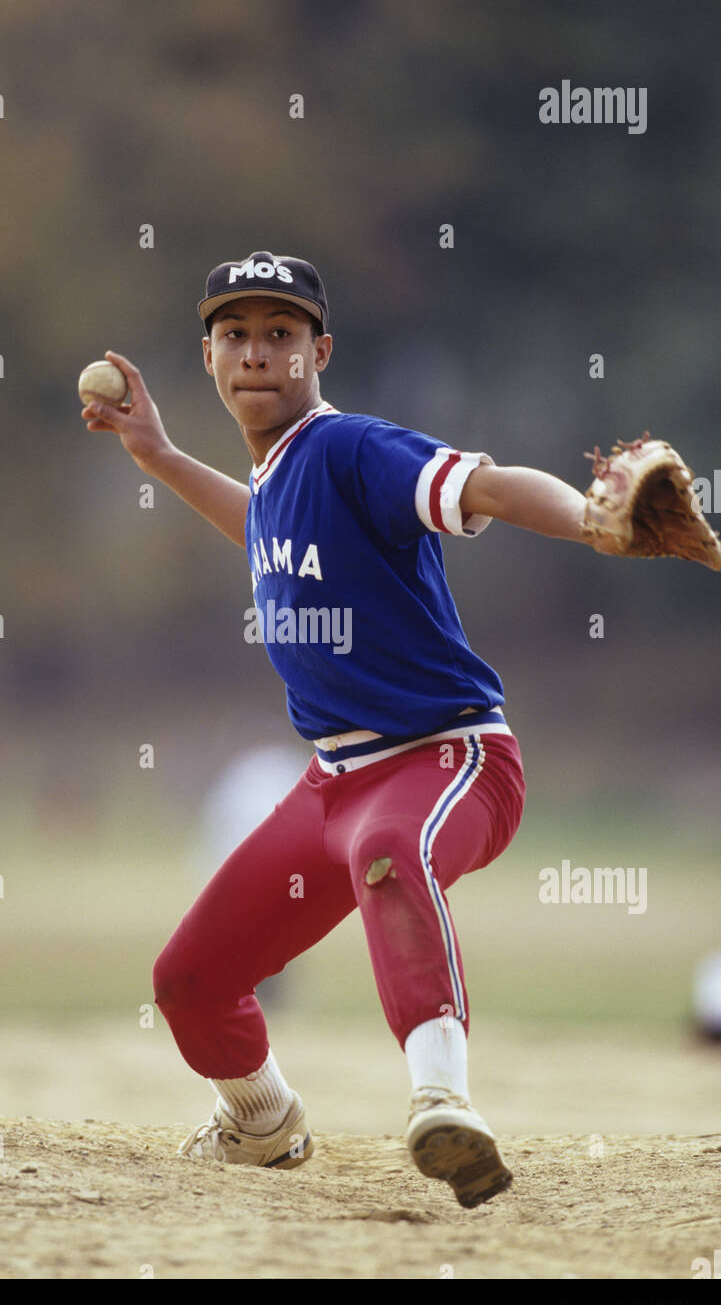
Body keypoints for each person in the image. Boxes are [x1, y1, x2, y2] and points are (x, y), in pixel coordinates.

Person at [80, 250, 596, 1208]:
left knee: (392, 850)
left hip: (453, 759)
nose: (258, 353)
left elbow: (483, 486)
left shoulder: (350, 446)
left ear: (321, 351)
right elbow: (267, 528)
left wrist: (597, 519)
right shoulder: (281, 476)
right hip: (334, 786)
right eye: (236, 334)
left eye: (281, 334)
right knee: (188, 980)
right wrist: (157, 457)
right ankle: (263, 1122)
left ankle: (443, 1100)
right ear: (208, 357)